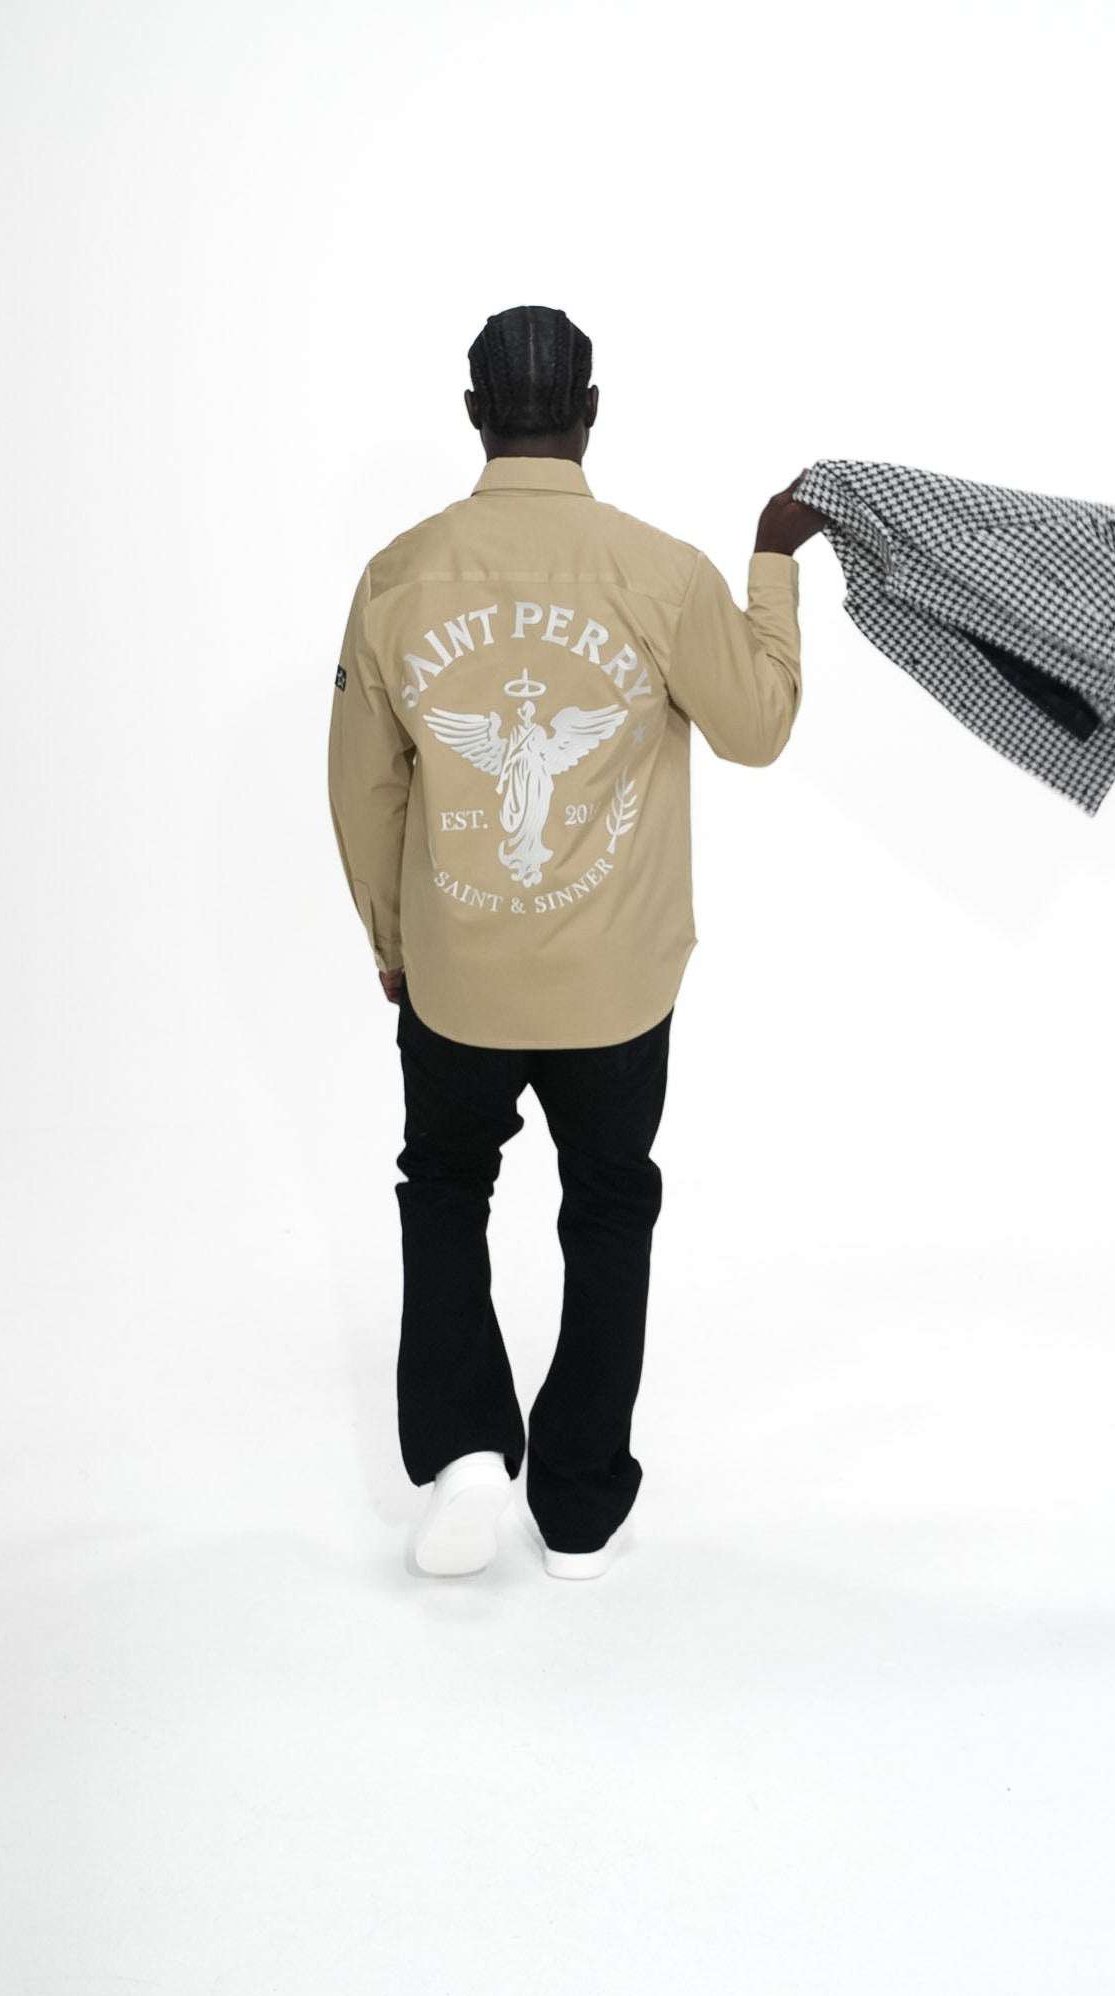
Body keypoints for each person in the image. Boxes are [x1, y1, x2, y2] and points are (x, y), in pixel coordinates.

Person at [328, 304, 824, 1580]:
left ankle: (464, 1455)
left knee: (447, 1187)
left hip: (459, 974)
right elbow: (758, 727)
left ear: (474, 415)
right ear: (591, 412)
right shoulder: (662, 573)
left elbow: (364, 785)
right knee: (607, 1208)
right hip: (615, 984)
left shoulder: (397, 575)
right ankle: (580, 1509)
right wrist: (773, 559)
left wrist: (393, 939)